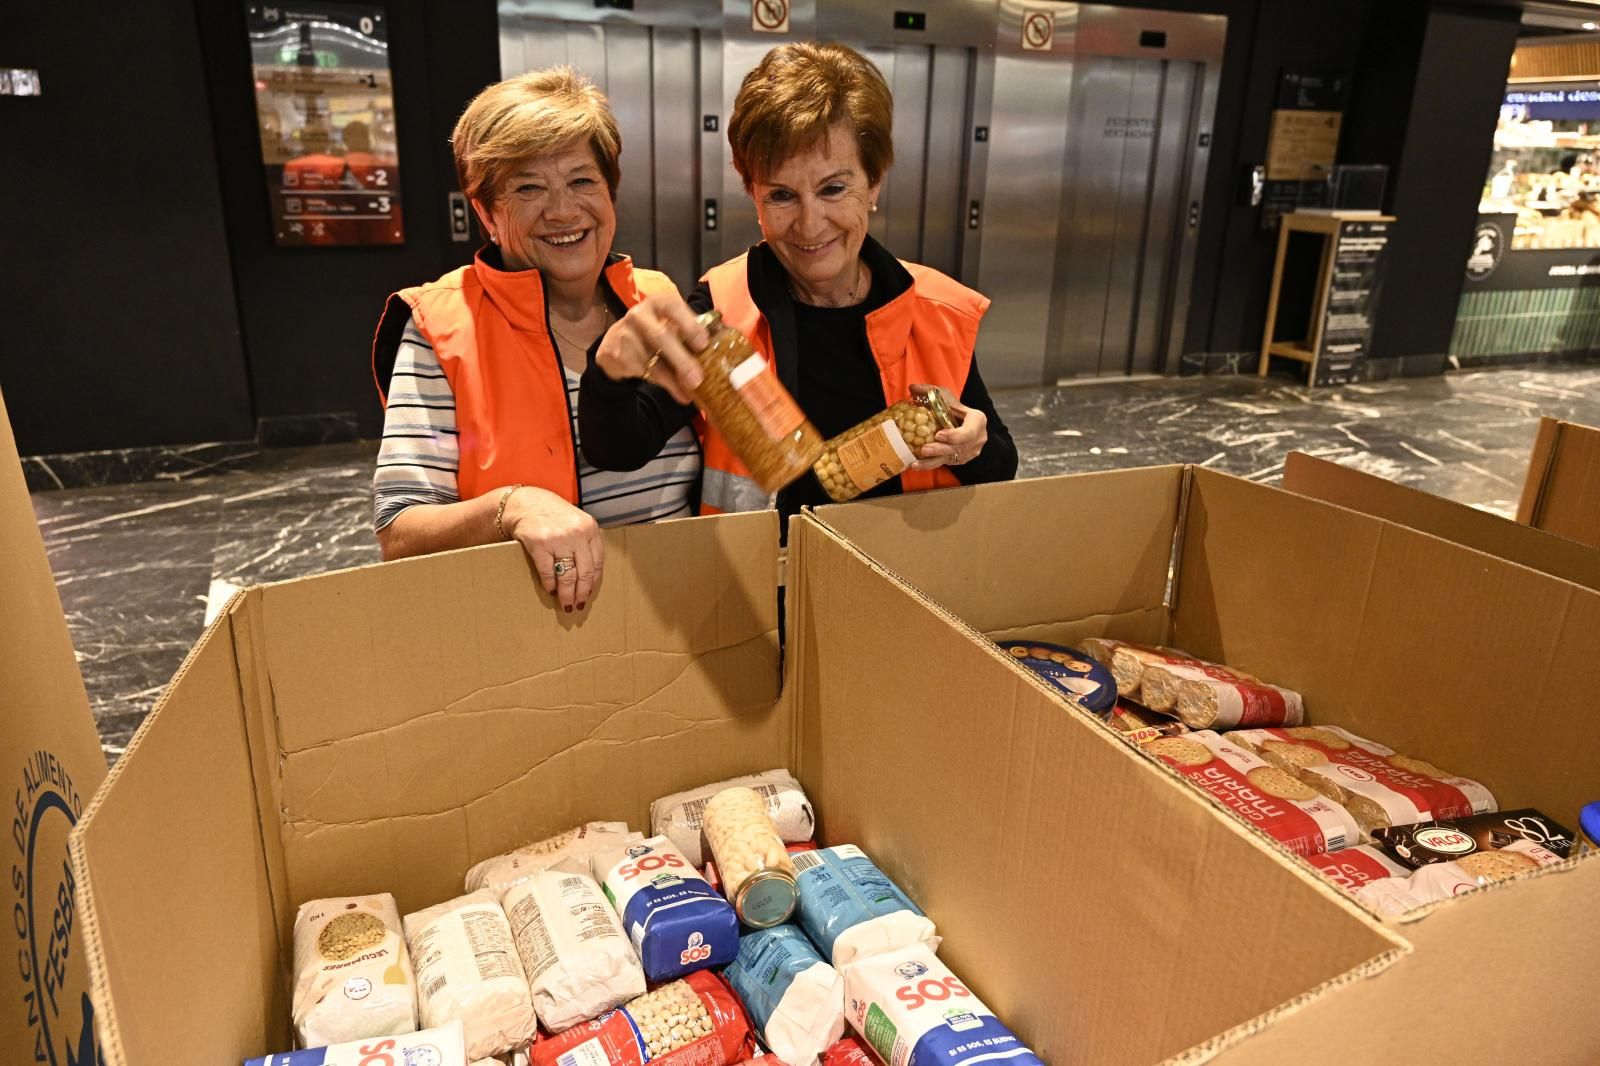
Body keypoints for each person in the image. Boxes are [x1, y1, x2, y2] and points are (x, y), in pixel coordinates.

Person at [579, 41, 1017, 518]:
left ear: (874, 182)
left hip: (903, 578)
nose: (810, 225)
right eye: (782, 195)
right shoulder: (723, 309)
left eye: (833, 188)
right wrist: (609, 371)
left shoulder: (936, 309)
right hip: (768, 584)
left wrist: (969, 445)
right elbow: (621, 448)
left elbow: (999, 461)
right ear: (753, 194)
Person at [370, 67, 701, 611]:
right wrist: (512, 507)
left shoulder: (652, 299)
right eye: (528, 188)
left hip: (677, 619)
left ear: (610, 189)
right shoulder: (442, 327)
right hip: (528, 640)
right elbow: (399, 531)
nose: (564, 211)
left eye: (582, 180)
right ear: (486, 212)